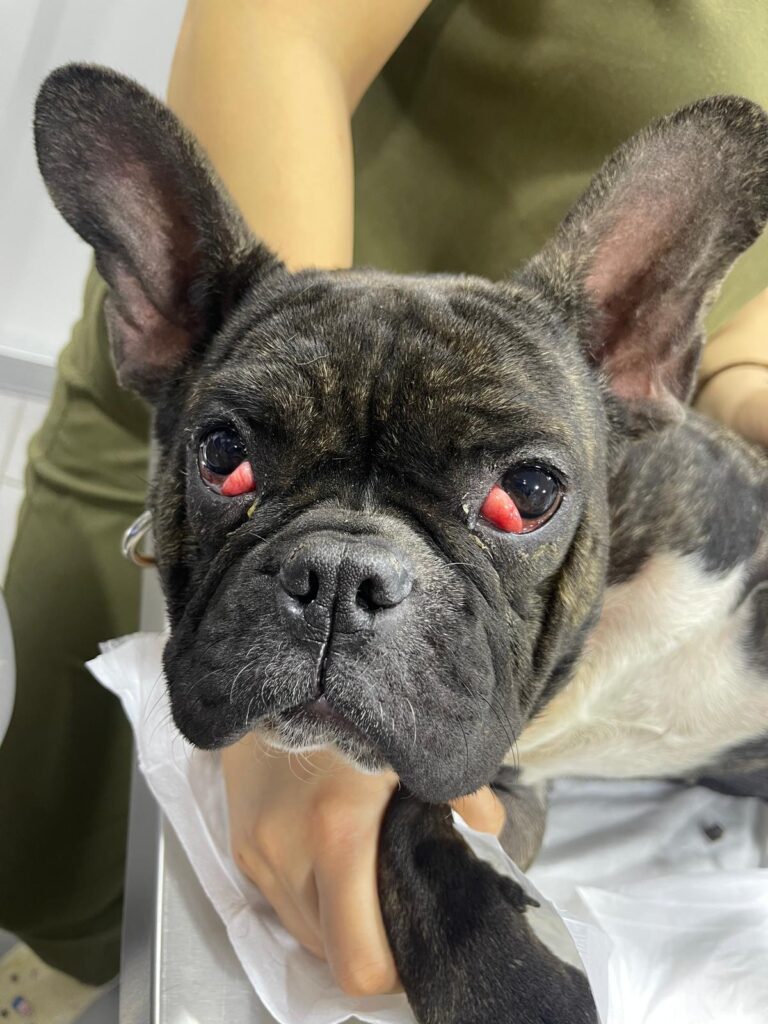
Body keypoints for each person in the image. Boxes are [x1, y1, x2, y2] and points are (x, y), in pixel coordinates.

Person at [1, 0, 767, 1015]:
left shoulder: (675, 524)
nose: (346, 590)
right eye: (234, 461)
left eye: (517, 497)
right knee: (52, 853)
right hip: (305, 301)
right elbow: (271, 25)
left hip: (561, 402)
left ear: (639, 355)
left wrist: (748, 384)